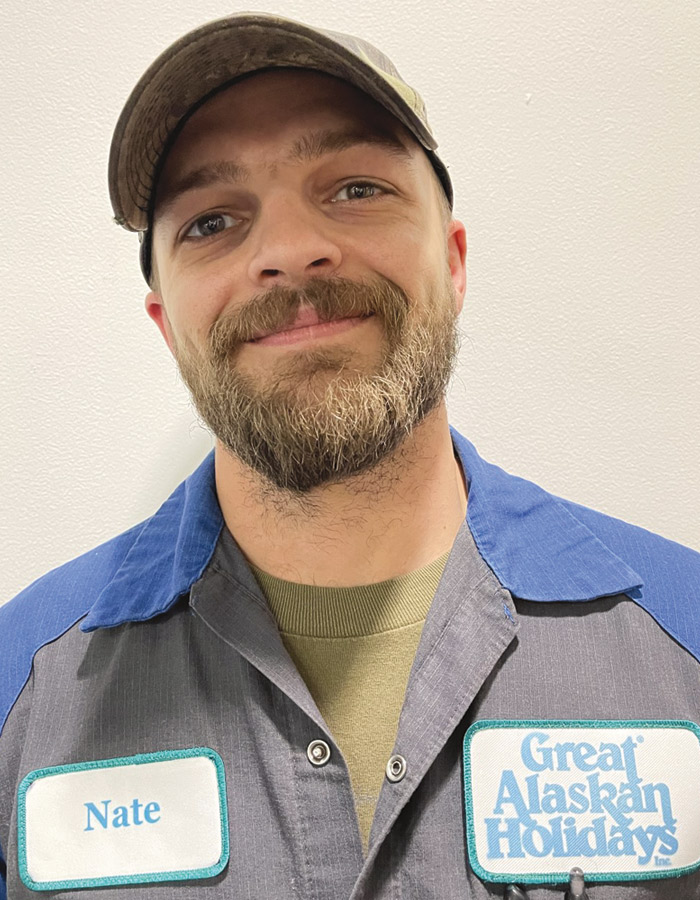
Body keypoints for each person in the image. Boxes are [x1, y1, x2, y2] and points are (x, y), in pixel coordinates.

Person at [1, 12, 699, 900]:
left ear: (451, 263)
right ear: (167, 325)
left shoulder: (685, 644)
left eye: (356, 189)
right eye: (212, 220)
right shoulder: (19, 688)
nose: (290, 251)